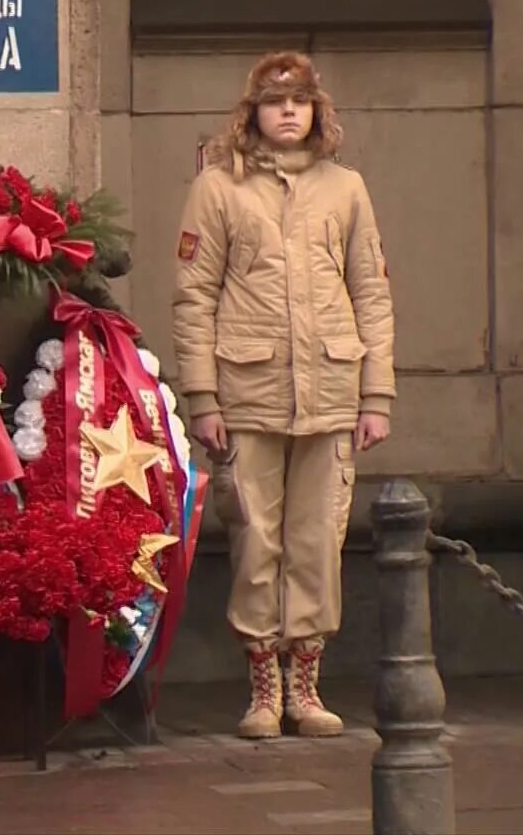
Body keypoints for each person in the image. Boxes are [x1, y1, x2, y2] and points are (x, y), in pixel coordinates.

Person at [170, 52, 396, 739]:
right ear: (253, 114)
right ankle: (262, 688)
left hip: (330, 389)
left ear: (318, 111)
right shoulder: (217, 188)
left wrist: (375, 394)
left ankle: (306, 685)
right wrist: (202, 396)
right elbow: (193, 296)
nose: (289, 113)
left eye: (300, 101)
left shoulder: (346, 188)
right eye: (275, 102)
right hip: (248, 391)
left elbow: (372, 292)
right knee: (255, 538)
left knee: (317, 541)